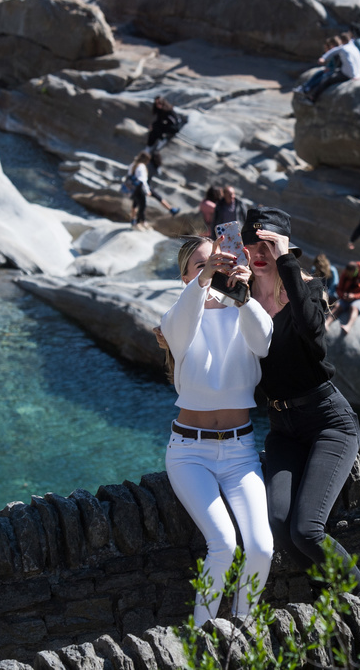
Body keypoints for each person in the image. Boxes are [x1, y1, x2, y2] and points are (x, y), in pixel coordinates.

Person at [241, 208, 360, 591]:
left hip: (328, 421)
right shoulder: (238, 298)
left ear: (286, 248)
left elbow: (313, 336)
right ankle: (328, 598)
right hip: (282, 429)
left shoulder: (307, 286)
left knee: (307, 530)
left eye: (270, 243)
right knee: (278, 524)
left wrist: (285, 263)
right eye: (252, 243)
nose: (260, 251)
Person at [158, 235, 273, 625]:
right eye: (203, 264)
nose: (215, 267)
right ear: (187, 277)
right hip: (190, 453)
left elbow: (263, 341)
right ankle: (202, 636)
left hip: (241, 452)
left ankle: (243, 628)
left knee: (260, 547)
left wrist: (245, 296)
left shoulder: (245, 311)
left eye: (220, 261)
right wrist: (205, 280)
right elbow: (180, 323)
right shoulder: (180, 320)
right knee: (223, 544)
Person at [333, 261, 360, 332]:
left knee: (354, 307)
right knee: (337, 306)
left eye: (349, 274)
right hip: (347, 298)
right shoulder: (345, 273)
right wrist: (343, 295)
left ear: (354, 271)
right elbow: (339, 289)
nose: (348, 275)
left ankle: (348, 326)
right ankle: (326, 323)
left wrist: (355, 296)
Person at [127, 151, 152, 230]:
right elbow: (143, 180)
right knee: (142, 205)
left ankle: (133, 221)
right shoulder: (142, 166)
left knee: (135, 205)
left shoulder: (133, 164)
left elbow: (129, 175)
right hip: (139, 188)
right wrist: (147, 190)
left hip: (132, 187)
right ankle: (139, 222)